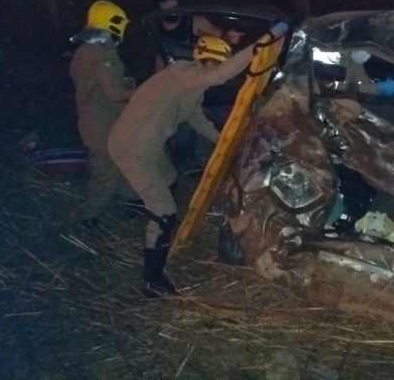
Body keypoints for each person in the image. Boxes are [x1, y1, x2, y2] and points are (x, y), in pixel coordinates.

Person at [108, 21, 288, 297]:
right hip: (132, 148)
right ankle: (152, 279)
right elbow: (219, 76)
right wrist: (260, 46)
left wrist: (227, 142)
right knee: (165, 209)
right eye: (218, 63)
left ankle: (156, 227)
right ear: (208, 60)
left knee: (169, 179)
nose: (218, 70)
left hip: (146, 147)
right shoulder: (182, 71)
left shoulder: (190, 86)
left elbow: (197, 119)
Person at [69, 0, 137, 226]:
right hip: (102, 122)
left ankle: (127, 201)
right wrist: (138, 91)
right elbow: (114, 93)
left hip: (93, 118)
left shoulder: (83, 51)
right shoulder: (103, 54)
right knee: (104, 171)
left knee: (118, 162)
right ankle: (89, 217)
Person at [151, 0, 245, 73]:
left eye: (176, 7)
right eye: (169, 10)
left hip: (198, 75)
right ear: (158, 13)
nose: (175, 11)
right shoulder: (156, 29)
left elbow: (221, 36)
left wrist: (229, 36)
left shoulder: (195, 22)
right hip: (174, 78)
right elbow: (160, 57)